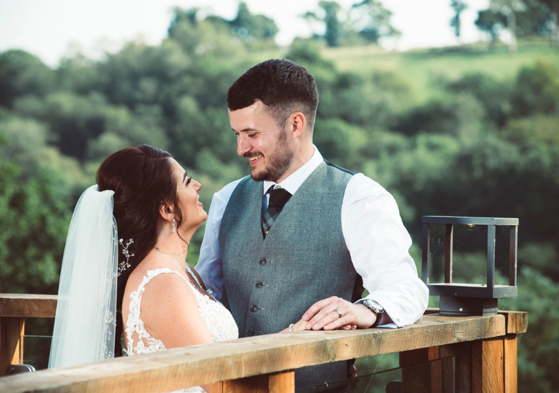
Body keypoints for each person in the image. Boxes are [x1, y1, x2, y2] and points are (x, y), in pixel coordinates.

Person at [196, 59, 429, 390]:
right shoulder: (225, 200)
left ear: (295, 124)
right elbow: (206, 297)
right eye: (237, 134)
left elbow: (407, 288)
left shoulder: (359, 197)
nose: (241, 148)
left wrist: (369, 309)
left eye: (252, 134)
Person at [49, 145, 302, 393]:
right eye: (187, 181)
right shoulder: (163, 285)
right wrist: (294, 337)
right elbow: (224, 383)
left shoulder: (185, 273)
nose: (198, 185)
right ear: (168, 209)